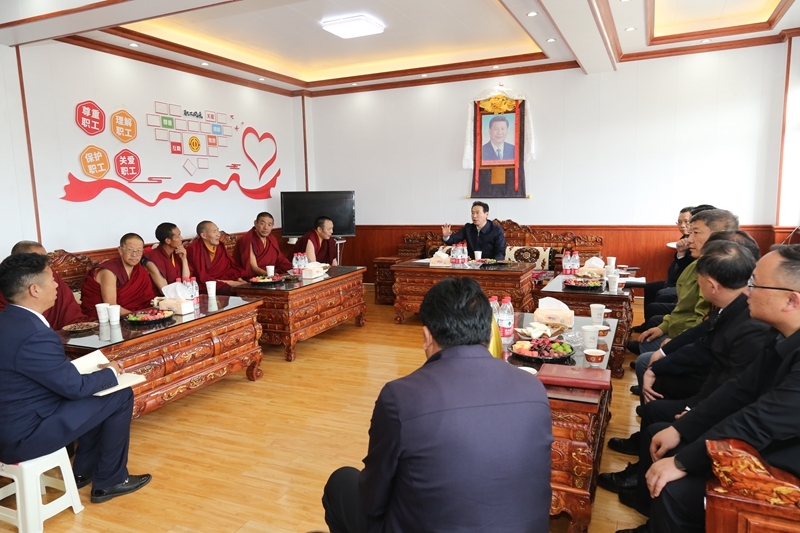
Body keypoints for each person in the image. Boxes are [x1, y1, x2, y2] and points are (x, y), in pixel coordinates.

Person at [321, 277, 553, 533]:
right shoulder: (533, 389)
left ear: (426, 336)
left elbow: (373, 499)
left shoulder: (400, 397)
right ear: (490, 334)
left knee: (340, 482)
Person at [620, 244, 800, 533]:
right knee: (667, 438)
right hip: (760, 444)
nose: (747, 291)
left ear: (791, 300)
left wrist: (682, 461)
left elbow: (759, 420)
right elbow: (739, 390)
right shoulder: (780, 336)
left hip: (782, 469)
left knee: (675, 490)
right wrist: (682, 428)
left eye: (755, 284)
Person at [0, 253, 151, 503]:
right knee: (119, 393)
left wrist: (92, 374)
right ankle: (111, 480)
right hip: (23, 436)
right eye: (52, 280)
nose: (57, 285)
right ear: (34, 290)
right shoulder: (35, 333)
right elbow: (75, 388)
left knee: (96, 391)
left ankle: (83, 471)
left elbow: (40, 372)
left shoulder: (9, 321)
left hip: (13, 422)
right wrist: (111, 371)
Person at [628, 208, 739, 356]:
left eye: (696, 232)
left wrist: (676, 342)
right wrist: (663, 327)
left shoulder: (715, 271)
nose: (690, 239)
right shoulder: (696, 264)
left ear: (718, 235)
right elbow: (680, 302)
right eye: (690, 232)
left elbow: (702, 322)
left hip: (692, 338)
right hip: (678, 328)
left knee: (644, 359)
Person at [633, 205, 715, 332]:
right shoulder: (685, 239)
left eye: (687, 222)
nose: (683, 226)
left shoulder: (707, 254)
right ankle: (647, 327)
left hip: (686, 300)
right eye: (680, 222)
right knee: (650, 288)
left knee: (659, 299)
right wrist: (680, 253)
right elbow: (677, 270)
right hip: (677, 283)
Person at [0, 241, 88, 330]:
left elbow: (70, 310)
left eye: (45, 258)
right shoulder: (8, 285)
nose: (56, 285)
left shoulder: (49, 274)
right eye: (37, 259)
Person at [80, 233, 157, 319]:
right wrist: (138, 317)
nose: (134, 255)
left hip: (134, 315)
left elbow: (147, 300)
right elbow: (111, 306)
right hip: (107, 318)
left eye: (138, 251)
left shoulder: (140, 271)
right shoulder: (109, 271)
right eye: (130, 250)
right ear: (120, 250)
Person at [186, 221, 248, 295]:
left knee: (250, 280)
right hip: (205, 284)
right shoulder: (193, 249)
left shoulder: (219, 246)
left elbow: (230, 266)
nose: (218, 234)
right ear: (204, 235)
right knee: (228, 290)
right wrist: (232, 283)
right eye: (214, 232)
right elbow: (202, 277)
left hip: (222, 278)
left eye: (218, 230)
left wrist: (239, 279)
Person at [441, 201, 507, 260]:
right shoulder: (468, 228)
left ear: (486, 214)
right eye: (472, 213)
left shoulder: (496, 230)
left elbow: (500, 253)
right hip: (471, 265)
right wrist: (446, 237)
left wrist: (492, 263)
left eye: (477, 213)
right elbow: (453, 240)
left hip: (489, 265)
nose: (474, 216)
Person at [144, 222, 191, 294]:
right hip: (164, 298)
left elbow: (186, 281)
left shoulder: (177, 253)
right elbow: (164, 290)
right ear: (168, 241)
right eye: (178, 236)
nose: (181, 238)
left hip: (181, 294)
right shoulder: (152, 258)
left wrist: (184, 259)